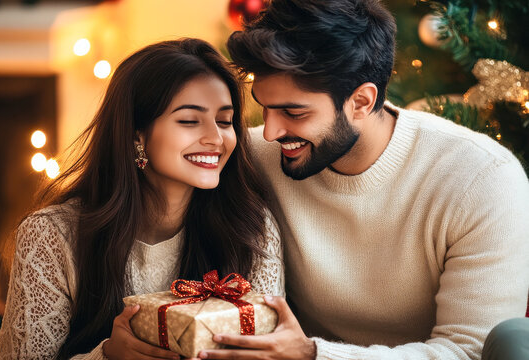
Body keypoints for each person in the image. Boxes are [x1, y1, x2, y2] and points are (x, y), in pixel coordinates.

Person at [193, 0, 529, 359]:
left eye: (294, 112)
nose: (271, 131)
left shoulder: (483, 179)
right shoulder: (257, 156)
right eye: (265, 107)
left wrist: (312, 354)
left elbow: (468, 352)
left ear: (362, 102)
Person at [0, 38, 284, 359]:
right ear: (137, 133)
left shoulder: (249, 227)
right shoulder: (51, 235)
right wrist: (106, 355)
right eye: (189, 120)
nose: (215, 139)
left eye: (224, 121)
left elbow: (268, 349)